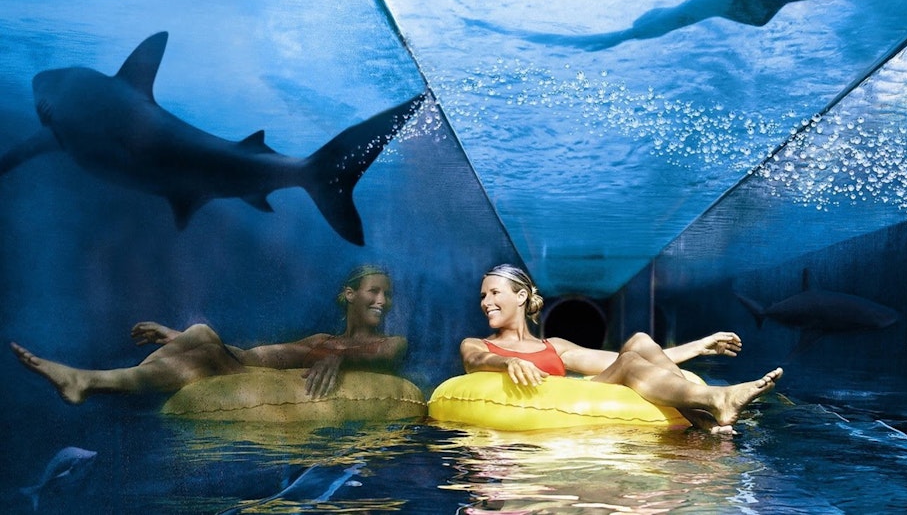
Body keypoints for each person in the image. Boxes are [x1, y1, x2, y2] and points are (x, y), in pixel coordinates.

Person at [460, 264, 783, 434]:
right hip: (547, 408)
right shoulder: (479, 344)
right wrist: (507, 363)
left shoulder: (553, 346)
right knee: (629, 361)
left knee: (639, 342)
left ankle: (706, 416)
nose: (486, 302)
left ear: (520, 297)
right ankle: (714, 401)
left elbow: (637, 359)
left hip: (579, 395)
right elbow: (476, 360)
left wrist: (700, 346)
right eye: (482, 296)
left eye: (494, 293)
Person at [10, 265, 406, 403]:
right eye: (375, 291)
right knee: (202, 333)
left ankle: (90, 382)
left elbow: (380, 355)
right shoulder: (319, 338)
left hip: (264, 384)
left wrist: (342, 356)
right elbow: (261, 355)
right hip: (256, 371)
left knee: (210, 352)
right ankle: (104, 382)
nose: (383, 301)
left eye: (387, 294)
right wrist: (178, 335)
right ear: (348, 294)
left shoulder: (394, 341)